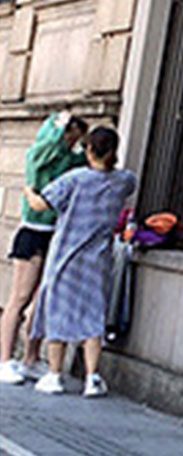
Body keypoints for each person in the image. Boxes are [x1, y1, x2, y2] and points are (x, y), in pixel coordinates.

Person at [27, 126, 135, 398]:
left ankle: (54, 375)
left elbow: (41, 204)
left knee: (58, 314)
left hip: (65, 258)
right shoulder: (124, 181)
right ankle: (92, 378)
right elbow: (127, 183)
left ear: (89, 150)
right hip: (98, 261)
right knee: (93, 317)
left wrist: (29, 190)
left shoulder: (74, 179)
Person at [0, 111, 87, 383]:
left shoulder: (71, 160)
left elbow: (88, 164)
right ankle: (5, 360)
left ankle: (31, 358)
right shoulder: (39, 155)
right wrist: (59, 125)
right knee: (20, 298)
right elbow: (46, 147)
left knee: (42, 301)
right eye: (70, 138)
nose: (71, 144)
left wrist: (86, 144)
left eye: (75, 140)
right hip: (34, 231)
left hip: (56, 234)